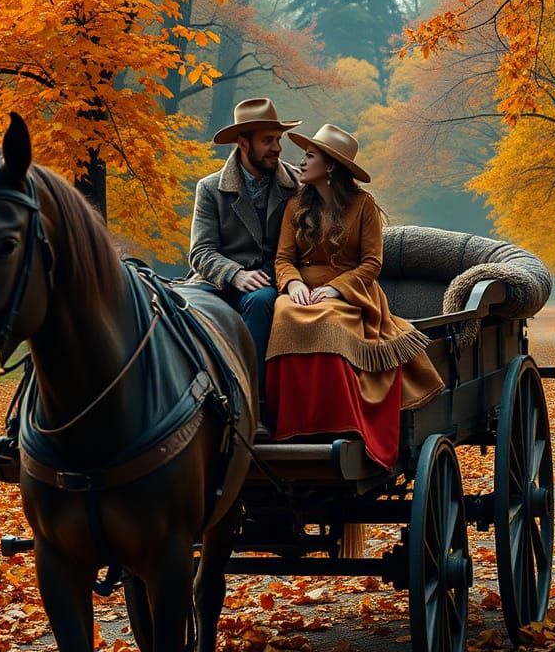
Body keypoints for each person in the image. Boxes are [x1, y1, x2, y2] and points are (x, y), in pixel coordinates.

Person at [264, 124, 444, 471]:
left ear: (330, 165)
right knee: (285, 314)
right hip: (302, 289)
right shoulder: (295, 205)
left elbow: (372, 263)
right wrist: (293, 285)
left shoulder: (363, 206)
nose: (300, 163)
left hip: (352, 292)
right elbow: (283, 258)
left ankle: (339, 420)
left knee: (329, 319)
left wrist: (337, 288)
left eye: (310, 156)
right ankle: (290, 425)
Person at [188, 98, 302, 407]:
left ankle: (251, 405)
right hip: (215, 283)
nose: (277, 148)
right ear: (242, 143)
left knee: (261, 301)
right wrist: (235, 274)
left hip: (269, 282)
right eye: (267, 140)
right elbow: (200, 251)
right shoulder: (210, 188)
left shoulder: (296, 185)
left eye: (278, 139)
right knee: (181, 306)